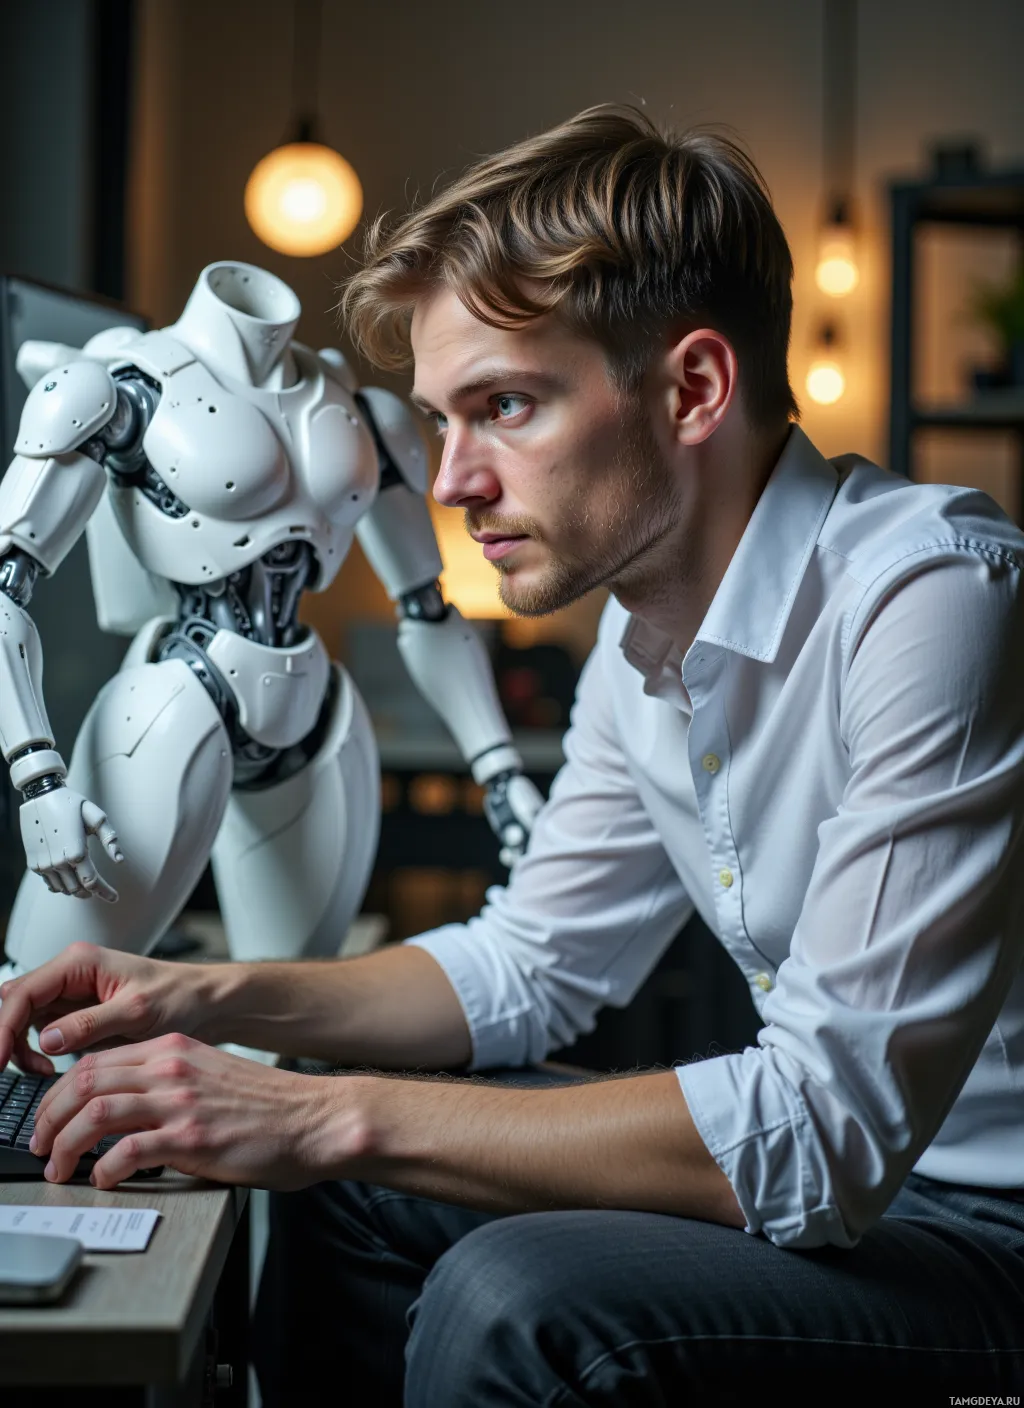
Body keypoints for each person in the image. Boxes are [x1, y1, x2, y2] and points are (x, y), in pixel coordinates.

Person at [2, 104, 1023, 1403]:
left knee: (512, 1299)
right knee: (340, 1174)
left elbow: (825, 1132)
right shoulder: (650, 635)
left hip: (987, 1230)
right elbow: (528, 968)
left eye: (505, 408)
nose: (449, 482)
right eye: (438, 420)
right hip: (874, 1191)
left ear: (693, 388)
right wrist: (196, 996)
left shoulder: (934, 592)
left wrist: (314, 1115)